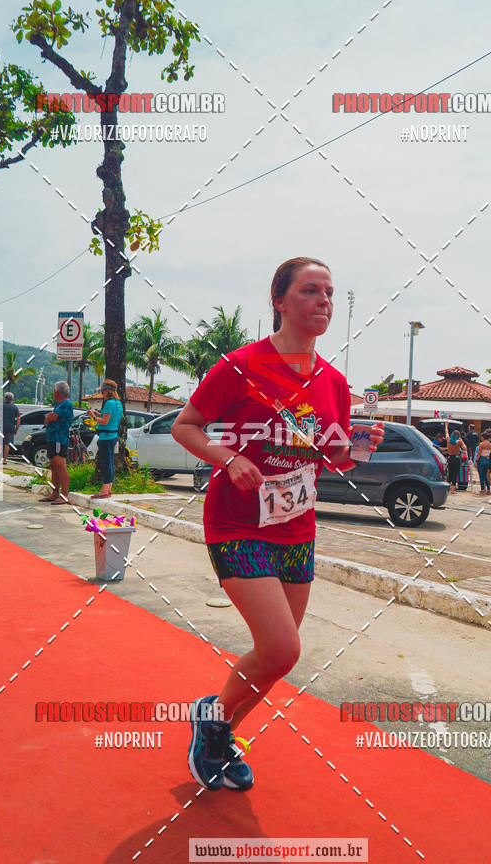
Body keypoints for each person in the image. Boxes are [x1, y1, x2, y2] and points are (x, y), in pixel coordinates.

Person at [171, 257, 384, 792]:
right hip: (237, 522)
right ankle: (214, 719)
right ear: (280, 302)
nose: (324, 302)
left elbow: (327, 455)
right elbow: (186, 426)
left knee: (274, 661)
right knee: (282, 649)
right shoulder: (240, 366)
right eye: (311, 291)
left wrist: (353, 449)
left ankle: (218, 735)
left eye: (330, 293)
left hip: (296, 528)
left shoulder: (334, 382)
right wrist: (227, 458)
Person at [88, 378, 124, 499]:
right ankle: (108, 489)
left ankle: (104, 492)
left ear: (108, 391)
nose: (102, 394)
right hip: (113, 436)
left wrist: (93, 416)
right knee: (110, 463)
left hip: (106, 437)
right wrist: (98, 414)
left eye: (103, 391)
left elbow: (104, 421)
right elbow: (110, 418)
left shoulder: (109, 403)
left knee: (106, 463)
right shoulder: (118, 404)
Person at [40, 381, 74, 504]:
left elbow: (51, 417)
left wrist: (48, 418)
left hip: (59, 439)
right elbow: (48, 418)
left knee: (60, 466)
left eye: (54, 390)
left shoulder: (66, 404)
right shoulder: (59, 405)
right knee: (54, 467)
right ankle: (55, 493)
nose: (53, 392)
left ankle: (64, 495)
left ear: (57, 392)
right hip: (52, 439)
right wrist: (48, 418)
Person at [444, 422, 464, 493]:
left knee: (450, 474)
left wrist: (446, 425)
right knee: (455, 474)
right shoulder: (459, 442)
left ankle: (447, 488)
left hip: (450, 458)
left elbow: (446, 432)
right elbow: (465, 448)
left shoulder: (448, 439)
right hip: (456, 458)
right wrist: (461, 440)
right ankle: (452, 490)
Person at [2, 392, 20, 462]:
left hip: (1, 427)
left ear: (5, 398)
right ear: (12, 399)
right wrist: (17, 428)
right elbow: (18, 418)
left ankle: (0, 454)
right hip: (10, 428)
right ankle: (4, 460)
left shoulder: (0, 406)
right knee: (7, 443)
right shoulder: (15, 407)